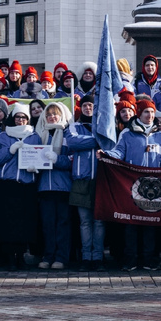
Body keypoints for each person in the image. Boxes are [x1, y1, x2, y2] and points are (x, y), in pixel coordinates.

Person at [104, 98, 161, 271]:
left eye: (153, 112)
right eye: (147, 112)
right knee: (131, 223)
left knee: (150, 223)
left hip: (154, 186)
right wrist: (107, 155)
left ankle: (148, 259)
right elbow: (119, 151)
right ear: (139, 113)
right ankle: (130, 259)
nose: (150, 115)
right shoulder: (127, 133)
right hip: (132, 185)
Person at [24, 101, 73, 270]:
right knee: (47, 224)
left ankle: (62, 257)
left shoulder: (68, 135)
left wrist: (57, 159)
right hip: (44, 187)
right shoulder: (39, 135)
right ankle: (48, 255)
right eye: (49, 114)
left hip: (63, 187)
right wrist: (31, 165)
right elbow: (30, 154)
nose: (52, 117)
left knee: (63, 224)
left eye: (55, 114)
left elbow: (72, 161)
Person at [0, 103, 38, 270]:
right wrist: (9, 150)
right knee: (7, 223)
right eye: (17, 117)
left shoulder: (34, 136)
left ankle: (21, 256)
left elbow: (42, 156)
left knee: (24, 223)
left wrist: (35, 167)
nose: (20, 120)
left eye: (24, 117)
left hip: (26, 185)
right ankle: (9, 256)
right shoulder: (1, 136)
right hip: (7, 185)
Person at [65, 95, 104, 271]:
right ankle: (86, 256)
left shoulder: (103, 127)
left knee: (99, 222)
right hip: (81, 179)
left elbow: (110, 143)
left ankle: (98, 257)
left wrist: (96, 140)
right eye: (86, 105)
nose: (89, 108)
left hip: (101, 179)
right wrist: (97, 141)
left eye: (91, 105)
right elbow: (73, 142)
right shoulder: (75, 126)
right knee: (84, 222)